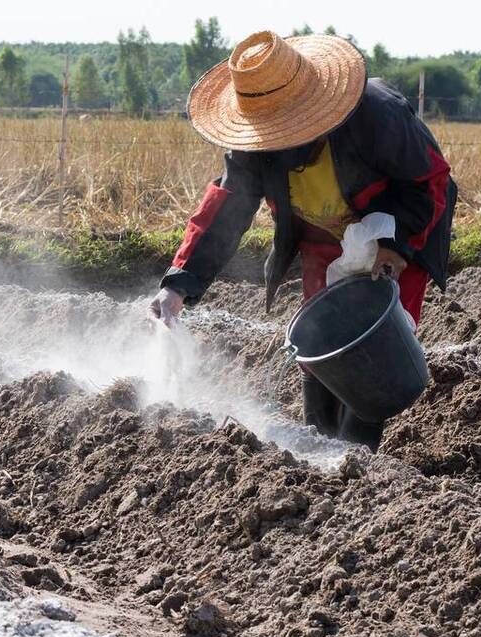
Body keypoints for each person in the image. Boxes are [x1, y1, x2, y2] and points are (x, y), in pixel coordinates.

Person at [149, 30, 456, 452]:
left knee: (372, 349)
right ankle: (318, 452)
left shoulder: (375, 115)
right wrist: (179, 284)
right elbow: (227, 208)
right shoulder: (253, 145)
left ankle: (357, 461)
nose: (278, 140)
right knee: (319, 345)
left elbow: (428, 183)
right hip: (322, 238)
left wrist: (396, 246)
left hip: (396, 229)